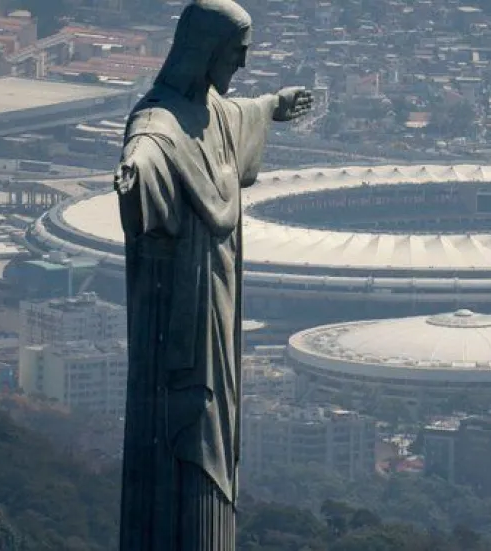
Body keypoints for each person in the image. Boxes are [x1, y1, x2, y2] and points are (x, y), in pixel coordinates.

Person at [113, 1, 312, 549]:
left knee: (216, 427)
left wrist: (274, 105)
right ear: (205, 52)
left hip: (219, 305)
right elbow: (147, 148)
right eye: (236, 54)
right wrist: (136, 173)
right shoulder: (159, 124)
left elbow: (239, 112)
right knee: (188, 427)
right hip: (181, 310)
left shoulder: (217, 112)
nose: (241, 68)